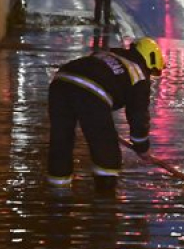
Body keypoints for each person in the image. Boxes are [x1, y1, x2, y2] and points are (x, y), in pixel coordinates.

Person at [47, 37, 166, 192]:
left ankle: (58, 194)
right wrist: (142, 146)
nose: (150, 76)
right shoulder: (139, 75)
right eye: (152, 71)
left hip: (60, 82)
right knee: (107, 151)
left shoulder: (108, 55)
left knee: (61, 141)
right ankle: (105, 200)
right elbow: (138, 116)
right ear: (149, 61)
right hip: (91, 91)